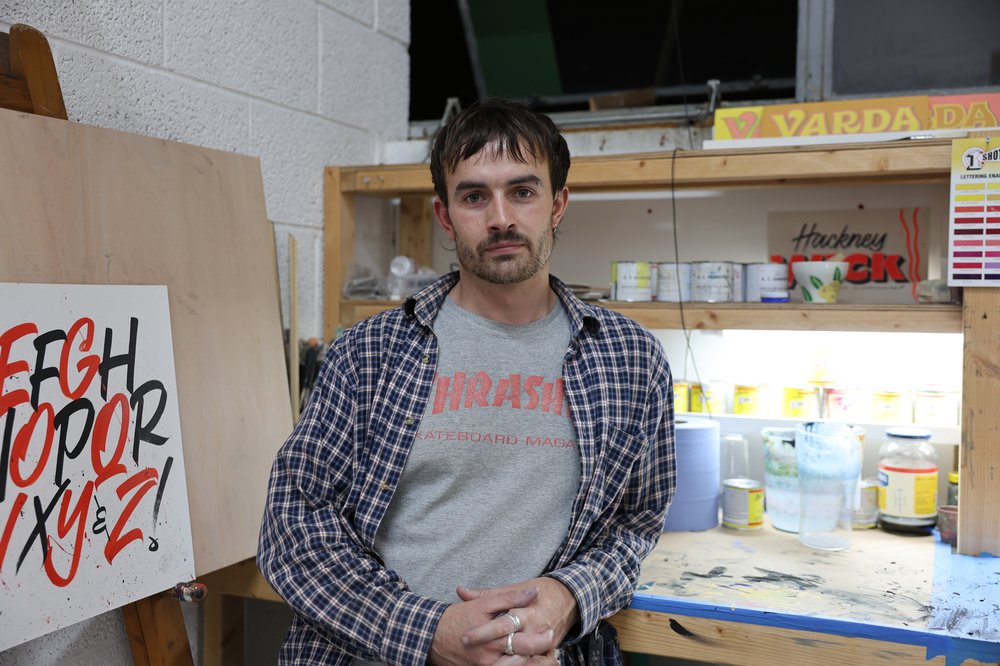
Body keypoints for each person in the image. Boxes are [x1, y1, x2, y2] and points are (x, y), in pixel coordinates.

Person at [257, 98, 676, 665]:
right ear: (445, 216)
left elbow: (635, 525)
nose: (500, 218)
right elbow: (292, 525)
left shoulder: (630, 361)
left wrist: (568, 597)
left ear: (557, 204)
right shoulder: (367, 353)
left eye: (522, 192)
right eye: (475, 196)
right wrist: (428, 633)